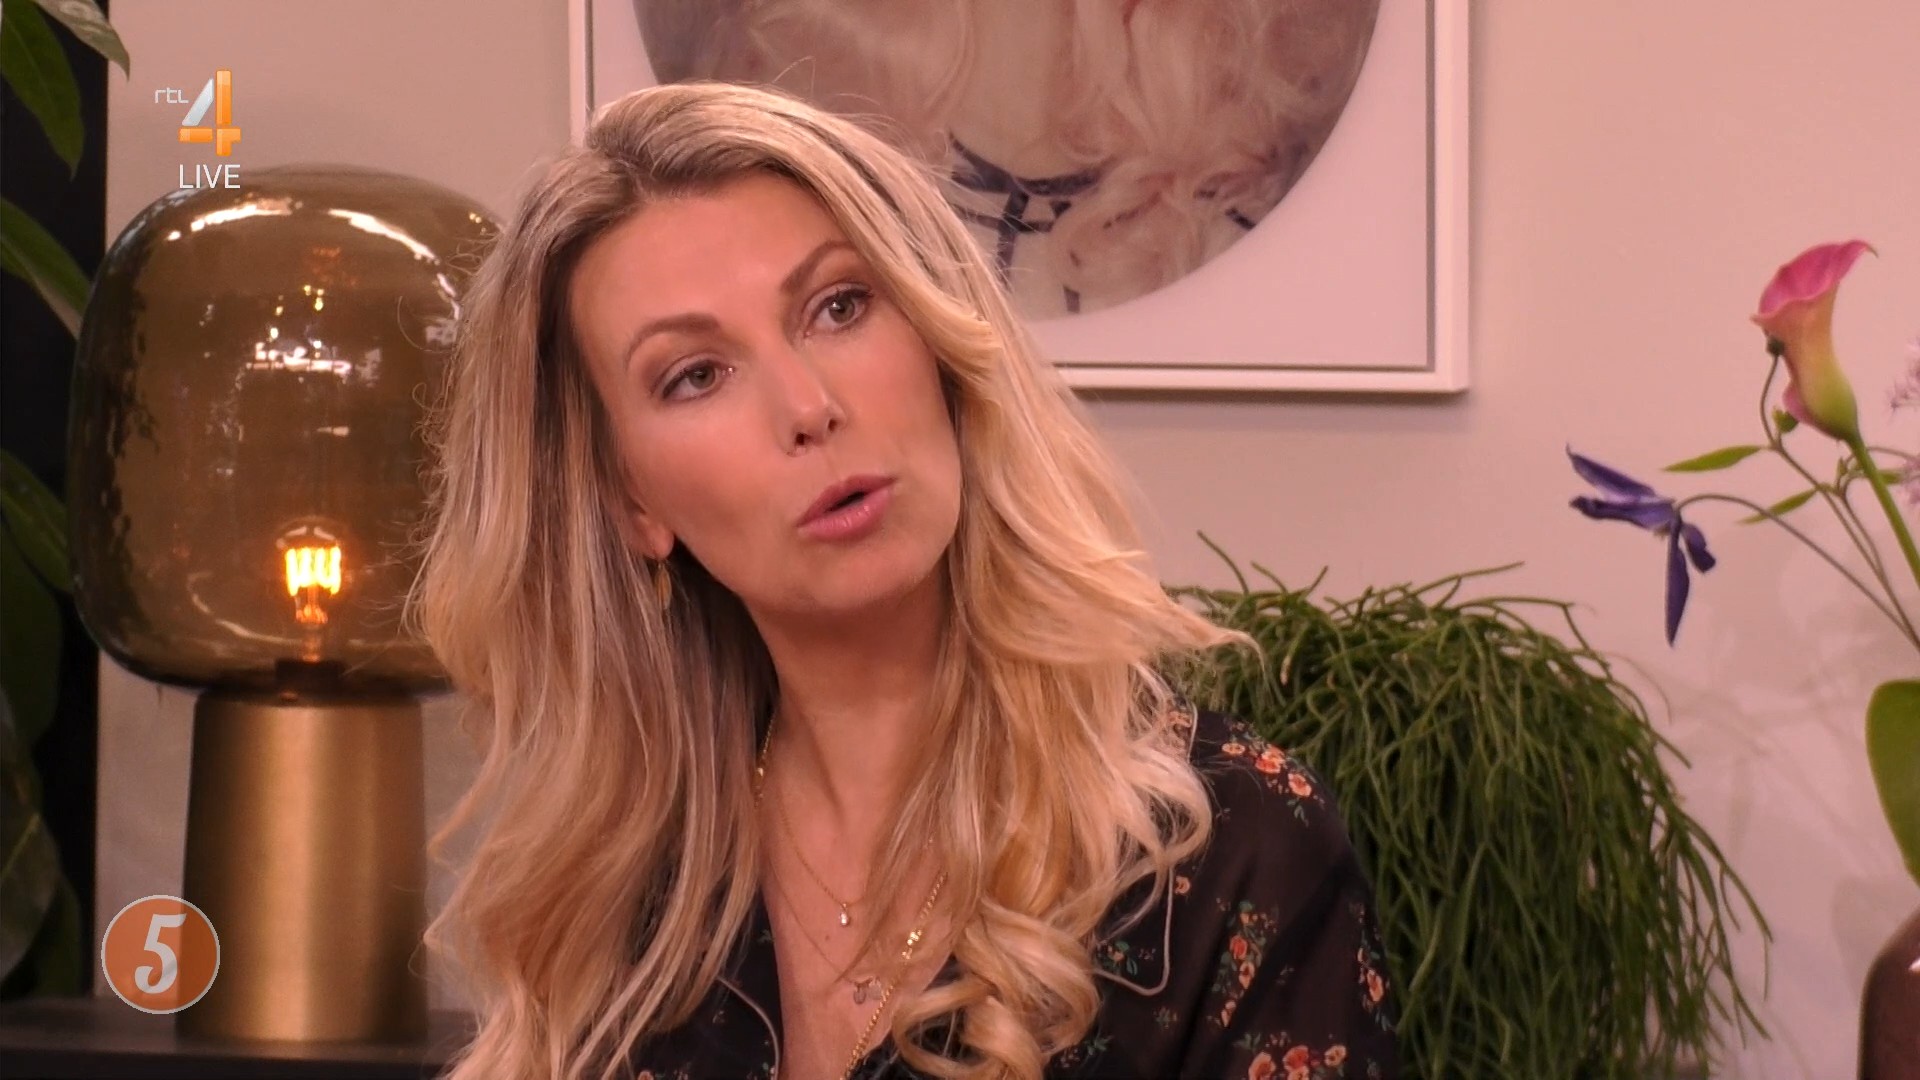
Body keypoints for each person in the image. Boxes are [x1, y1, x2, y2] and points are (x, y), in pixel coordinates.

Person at [410, 81, 1399, 1080]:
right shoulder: (621, 909)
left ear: (939, 341)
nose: (809, 407)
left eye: (838, 307)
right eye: (696, 375)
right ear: (631, 501)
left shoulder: (1223, 852)